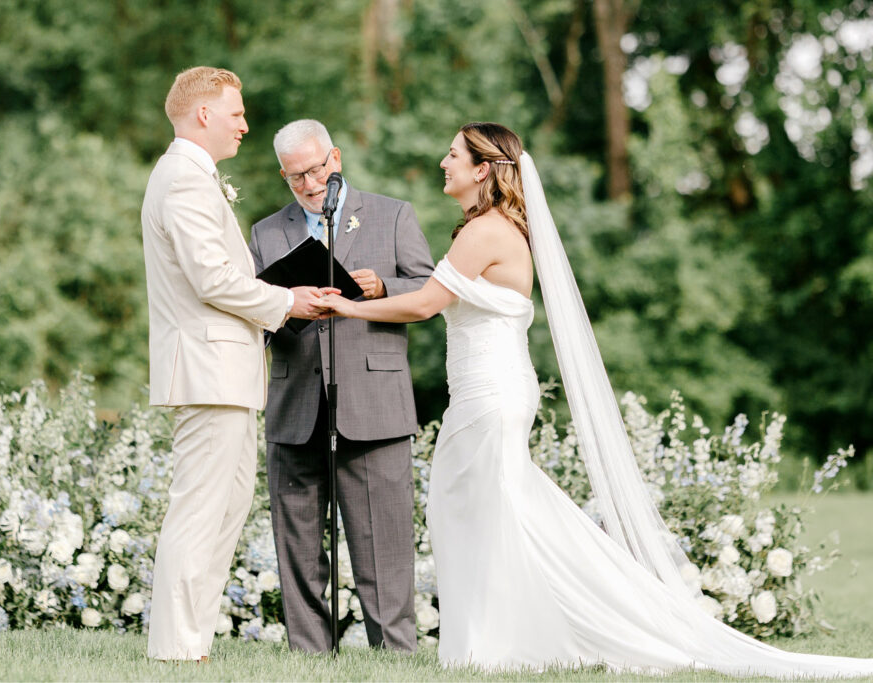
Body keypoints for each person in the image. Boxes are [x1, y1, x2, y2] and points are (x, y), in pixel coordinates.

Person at [318, 122, 873, 676]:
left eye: (454, 153)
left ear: (483, 168)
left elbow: (425, 306)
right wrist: (381, 289)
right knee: (492, 510)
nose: (444, 161)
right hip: (491, 390)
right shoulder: (497, 227)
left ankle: (494, 645)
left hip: (489, 394)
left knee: (478, 508)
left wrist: (345, 308)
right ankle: (492, 643)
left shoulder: (484, 231)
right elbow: (436, 295)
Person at [140, 67, 330, 662]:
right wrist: (286, 300)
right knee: (201, 508)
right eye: (236, 112)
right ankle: (175, 647)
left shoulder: (195, 177)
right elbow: (211, 279)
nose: (246, 124)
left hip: (223, 370)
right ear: (203, 115)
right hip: (207, 368)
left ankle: (191, 641)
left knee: (224, 508)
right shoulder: (183, 180)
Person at [248, 119, 434, 653]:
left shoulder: (392, 214)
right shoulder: (265, 232)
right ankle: (310, 657)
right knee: (299, 546)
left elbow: (430, 290)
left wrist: (382, 287)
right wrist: (284, 308)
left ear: (335, 158)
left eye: (313, 170)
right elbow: (250, 312)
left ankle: (395, 656)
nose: (307, 184)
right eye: (293, 177)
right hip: (295, 403)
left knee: (384, 546)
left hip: (374, 403)